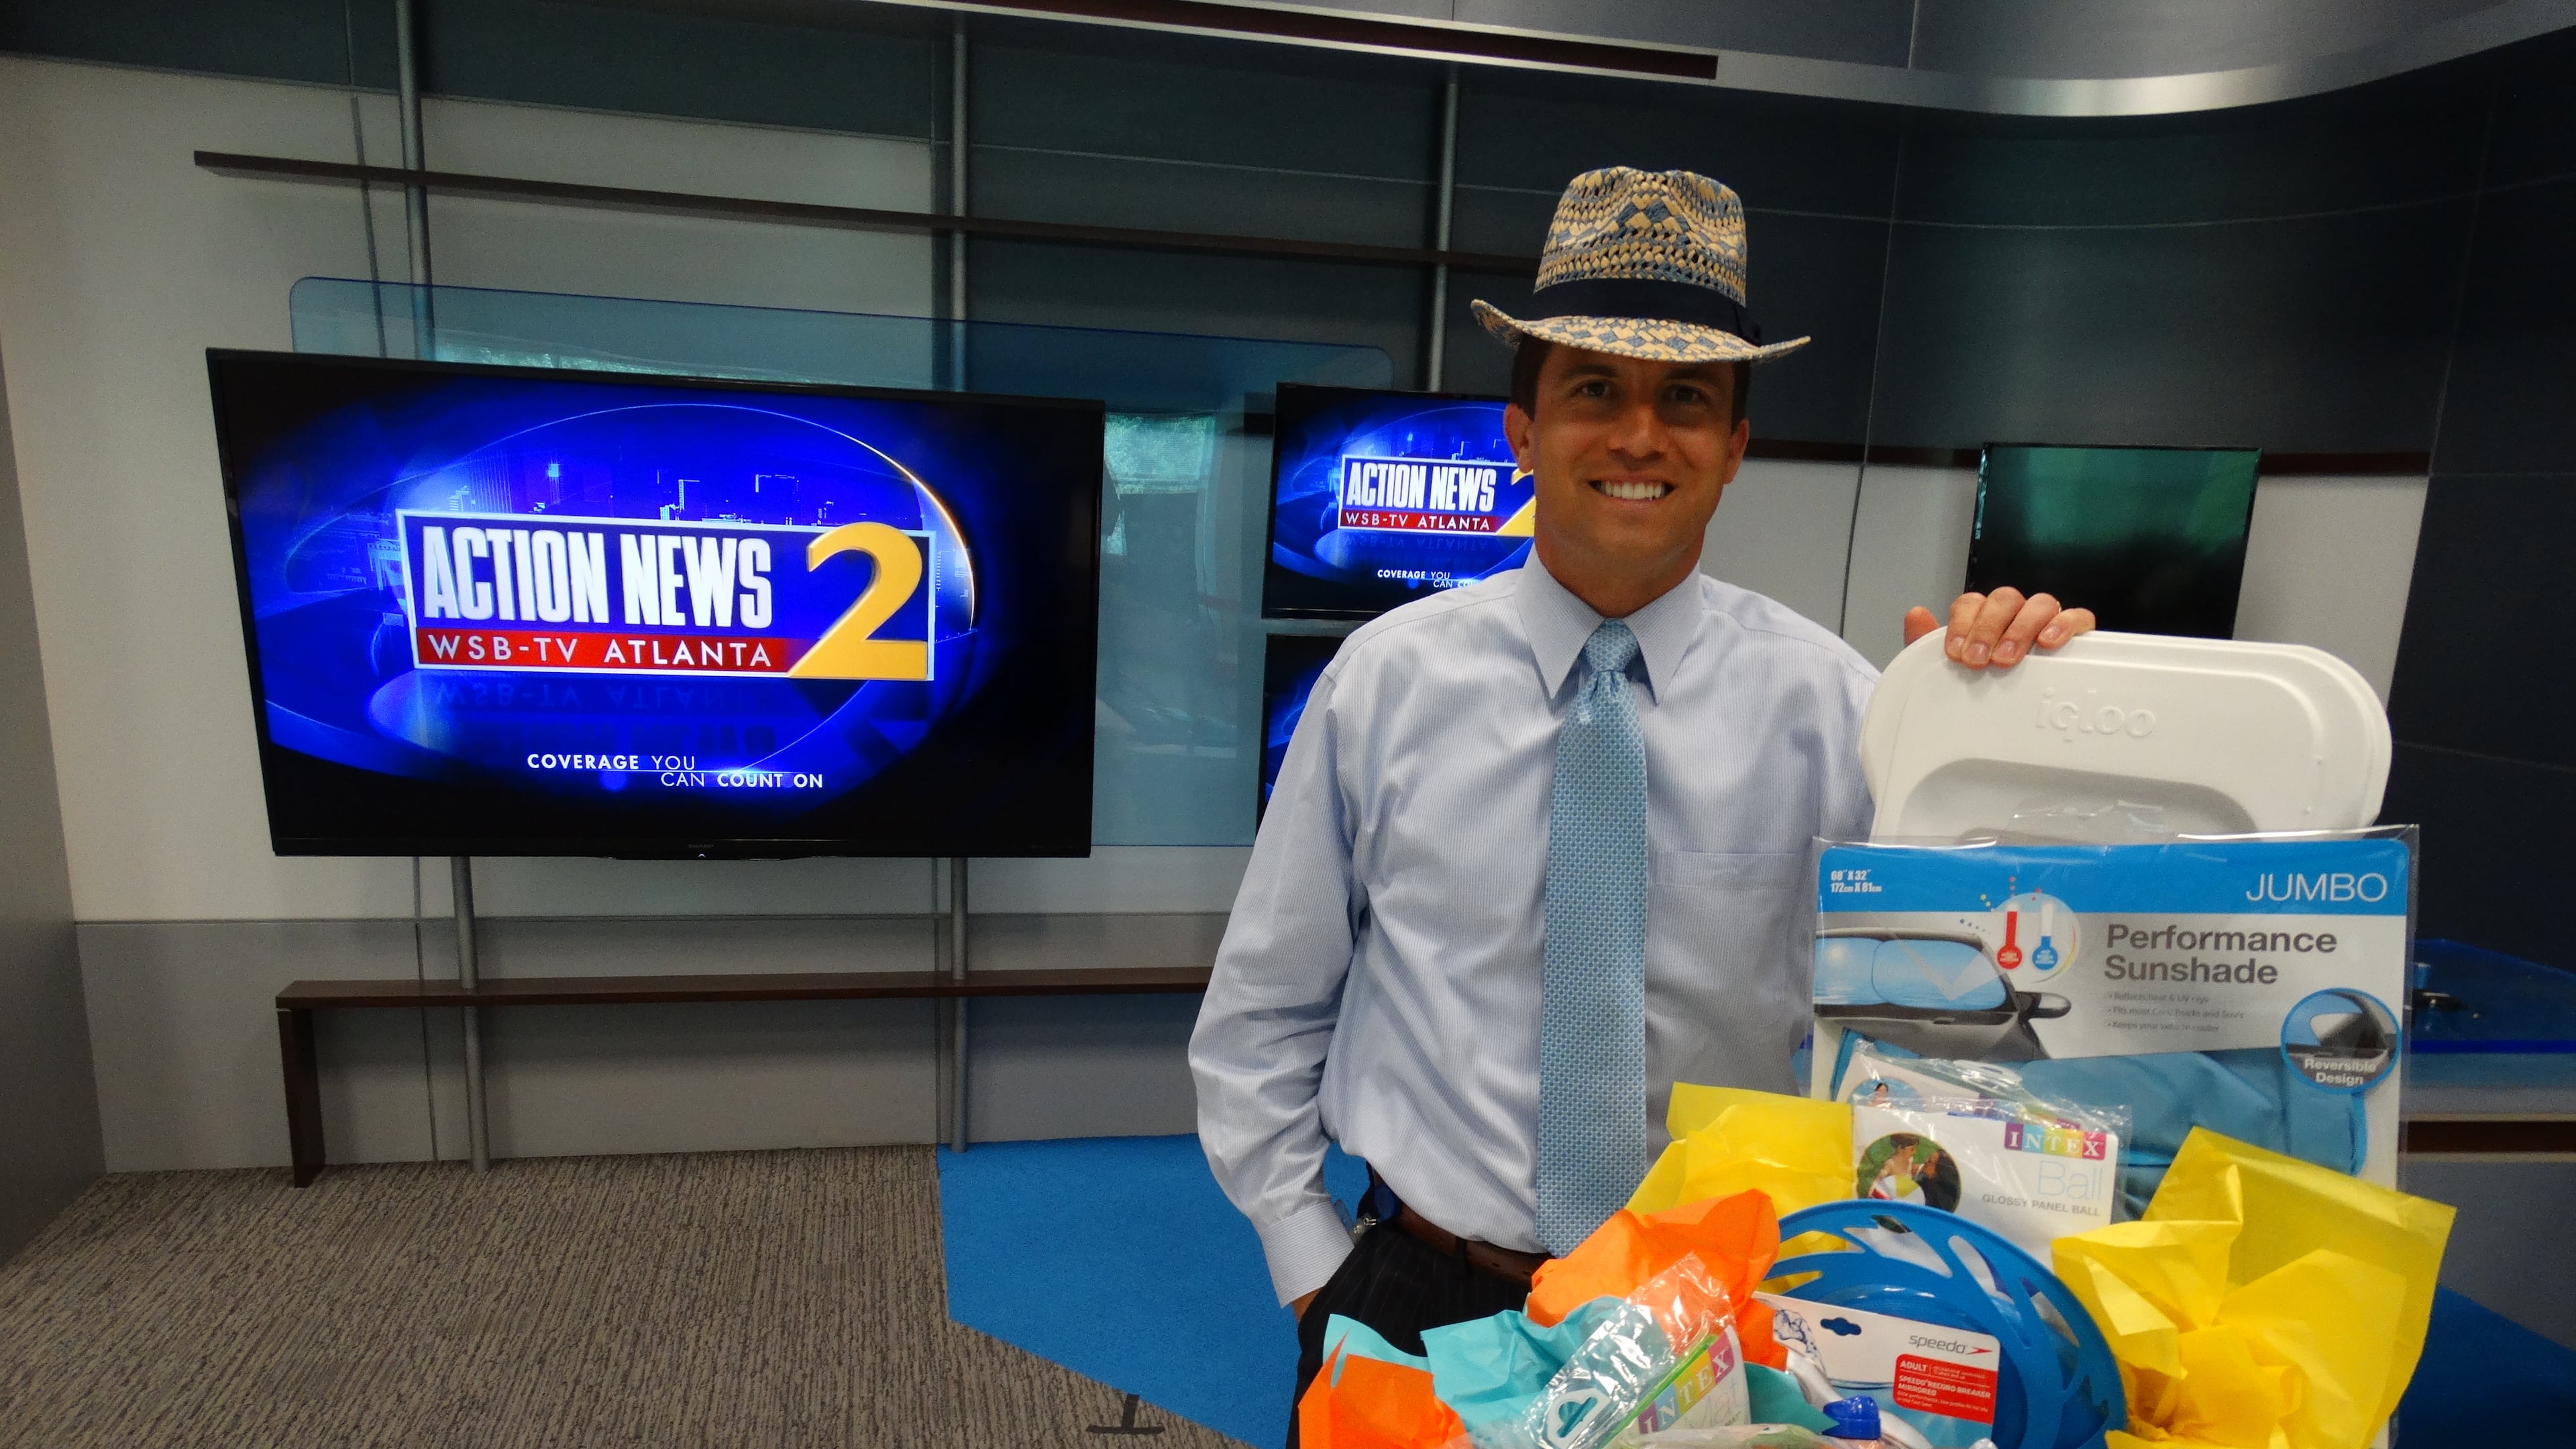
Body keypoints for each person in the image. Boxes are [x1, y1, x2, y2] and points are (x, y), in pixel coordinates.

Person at [1187, 167, 2096, 1433]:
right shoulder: (1383, 685)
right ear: (1522, 431)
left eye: (1687, 399)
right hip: (1414, 1298)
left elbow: (1969, 1026)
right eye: (1593, 390)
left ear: (1736, 446)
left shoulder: (1843, 709)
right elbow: (1264, 1014)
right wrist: (1313, 1271)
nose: (1637, 434)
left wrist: (2018, 718)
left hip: (1717, 1310)